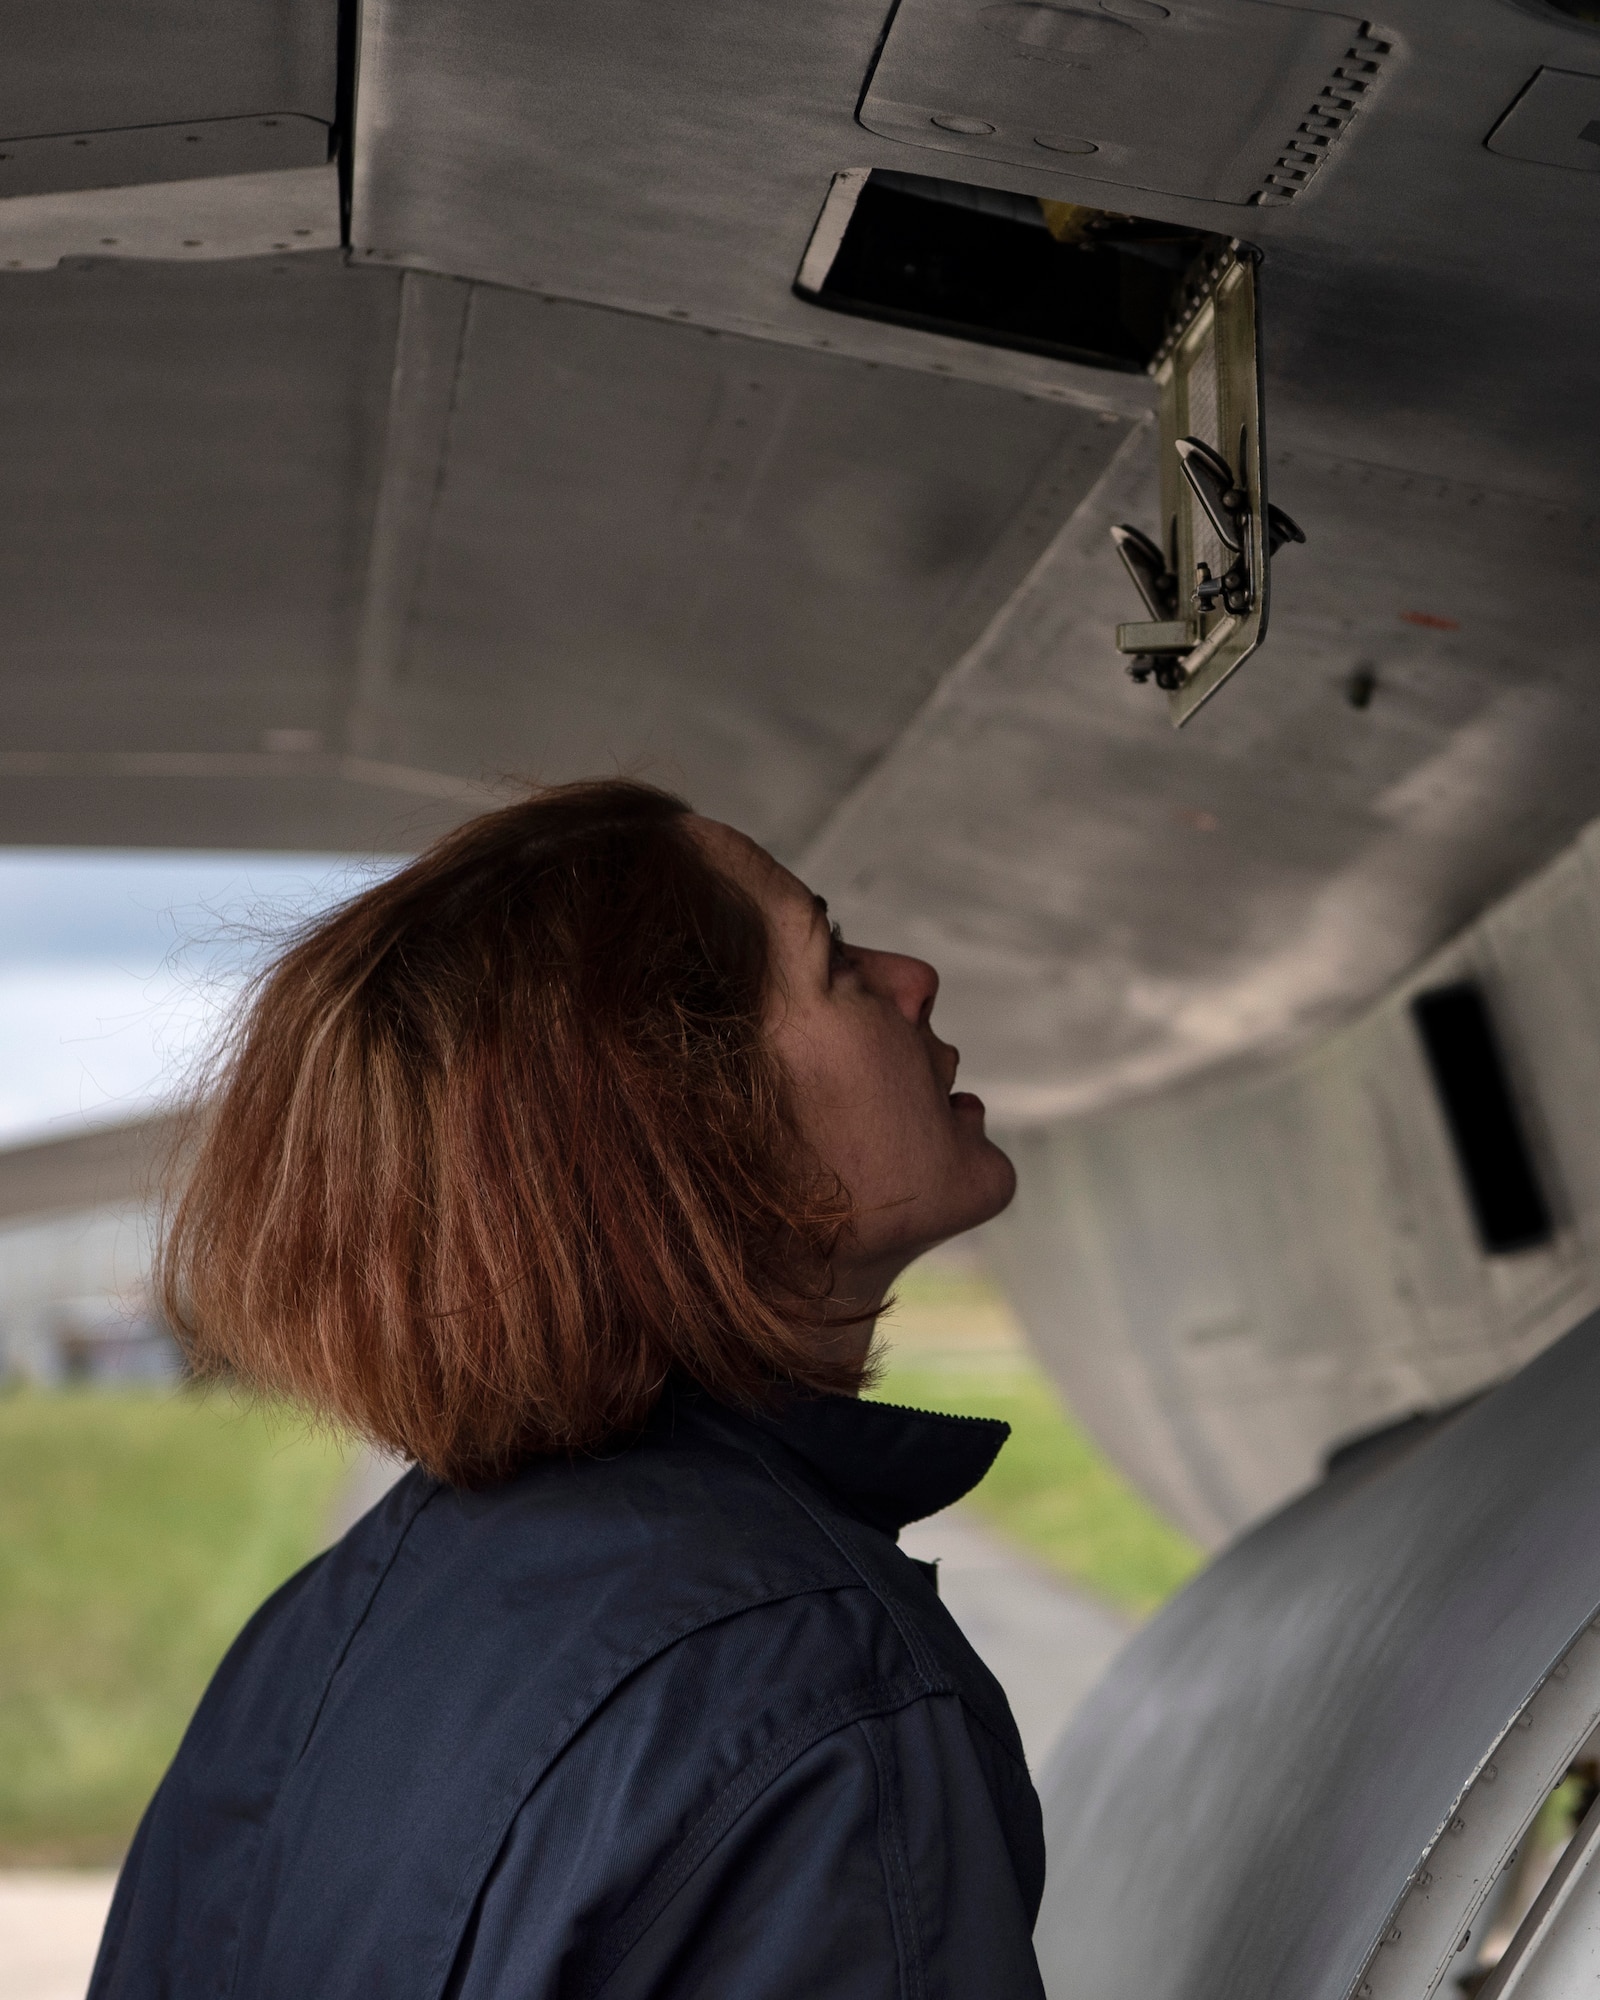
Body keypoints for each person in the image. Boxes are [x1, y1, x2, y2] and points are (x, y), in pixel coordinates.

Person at [89, 778, 1045, 2000]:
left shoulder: (319, 1630)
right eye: (835, 961)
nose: (911, 975)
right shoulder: (813, 1678)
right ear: (696, 1125)